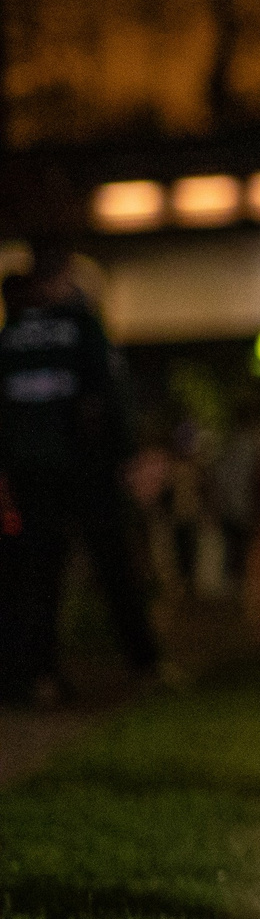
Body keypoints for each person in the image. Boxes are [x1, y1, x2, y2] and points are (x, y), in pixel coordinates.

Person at [0, 242, 162, 703]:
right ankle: (144, 664)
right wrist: (126, 456)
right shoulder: (81, 327)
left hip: (31, 474)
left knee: (37, 577)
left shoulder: (10, 334)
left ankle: (36, 675)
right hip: (86, 470)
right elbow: (108, 398)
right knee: (113, 566)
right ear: (65, 278)